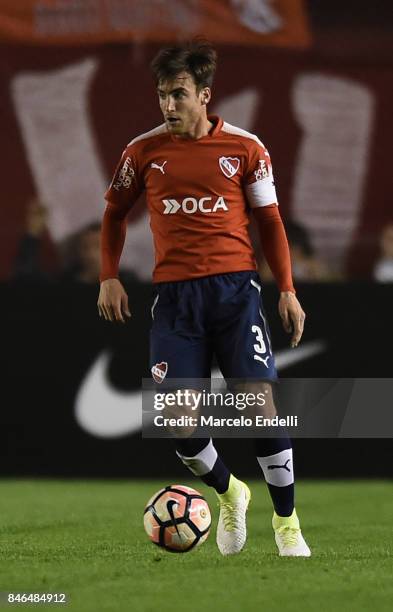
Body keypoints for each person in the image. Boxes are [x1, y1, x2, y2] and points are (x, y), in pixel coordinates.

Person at [98, 40, 310, 557]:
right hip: (174, 300)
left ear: (204, 95)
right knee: (175, 420)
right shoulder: (141, 151)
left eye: (178, 95)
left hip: (235, 293)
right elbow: (112, 215)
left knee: (259, 406)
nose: (169, 106)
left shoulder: (246, 149)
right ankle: (230, 492)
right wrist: (108, 276)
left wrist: (286, 289)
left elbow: (270, 221)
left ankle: (287, 524)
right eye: (162, 96)